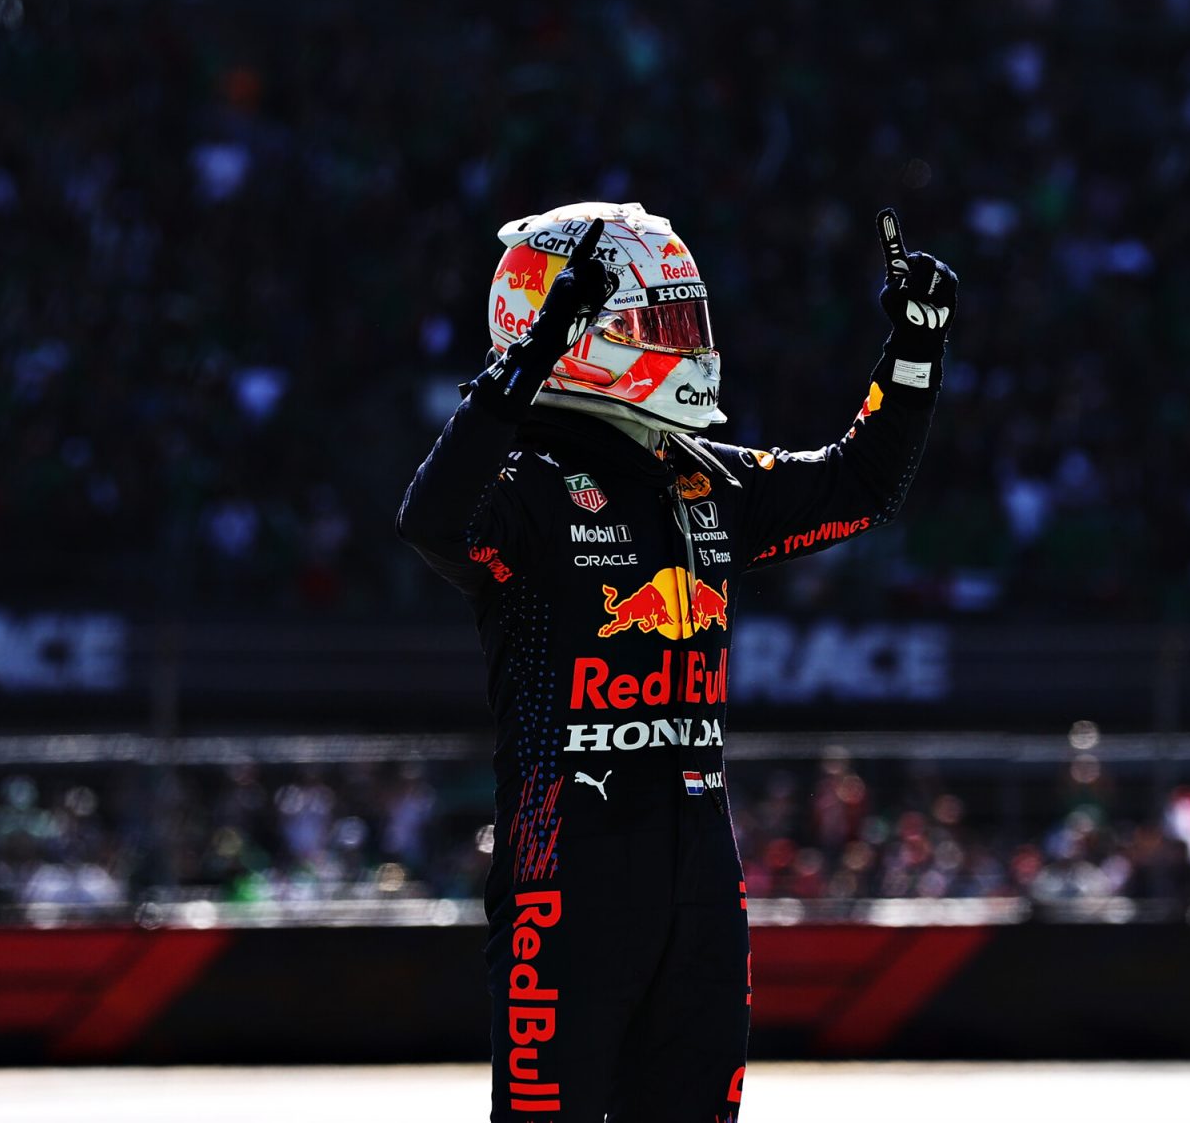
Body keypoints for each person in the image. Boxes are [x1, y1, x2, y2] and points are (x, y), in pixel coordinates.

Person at [398, 200, 955, 1121]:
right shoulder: (523, 484)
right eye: (657, 322)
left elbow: (862, 485)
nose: (683, 343)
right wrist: (532, 353)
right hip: (565, 885)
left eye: (686, 320)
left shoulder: (704, 476)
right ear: (573, 326)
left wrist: (916, 347)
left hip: (702, 882)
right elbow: (430, 521)